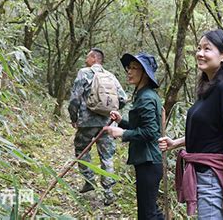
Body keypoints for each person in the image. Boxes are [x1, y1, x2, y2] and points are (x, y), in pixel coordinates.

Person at [158, 29, 223, 220]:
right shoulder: (209, 88)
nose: (200, 53)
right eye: (199, 48)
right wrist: (176, 143)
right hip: (205, 176)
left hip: (214, 178)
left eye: (207, 49)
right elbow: (212, 132)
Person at [103, 52, 164, 220]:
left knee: (147, 213)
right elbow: (141, 127)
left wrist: (123, 133)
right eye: (128, 68)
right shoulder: (144, 95)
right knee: (150, 210)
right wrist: (122, 122)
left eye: (134, 68)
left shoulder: (146, 98)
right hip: (147, 161)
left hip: (149, 162)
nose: (129, 71)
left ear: (145, 72)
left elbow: (151, 132)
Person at [68, 48, 127, 204]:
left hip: (86, 123)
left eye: (88, 57)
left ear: (94, 58)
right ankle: (109, 194)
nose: (86, 59)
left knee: (81, 149)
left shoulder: (84, 73)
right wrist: (110, 111)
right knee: (107, 157)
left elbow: (75, 98)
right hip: (107, 123)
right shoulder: (111, 76)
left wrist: (74, 117)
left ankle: (89, 180)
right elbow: (123, 98)